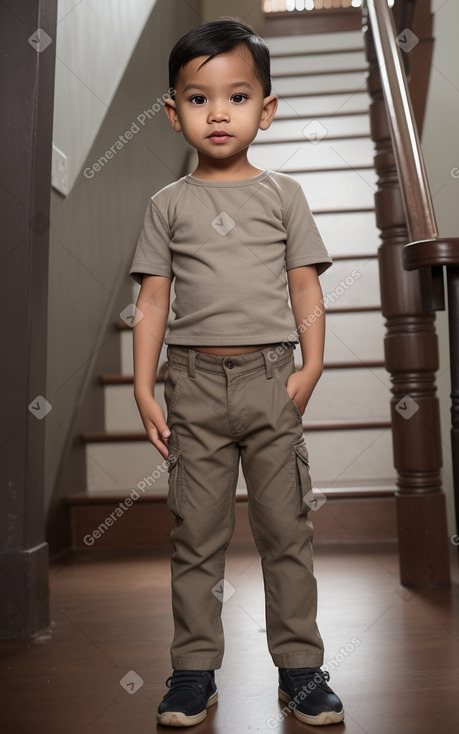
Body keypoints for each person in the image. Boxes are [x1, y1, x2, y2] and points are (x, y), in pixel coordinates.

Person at [129, 17, 344, 728]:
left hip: (269, 379)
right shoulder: (168, 205)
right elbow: (153, 299)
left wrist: (310, 364)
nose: (218, 113)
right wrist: (140, 384)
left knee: (288, 532)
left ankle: (301, 669)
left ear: (267, 109)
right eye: (198, 98)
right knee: (196, 534)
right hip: (190, 386)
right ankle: (193, 671)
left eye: (237, 96)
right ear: (172, 112)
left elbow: (305, 288)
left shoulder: (284, 196)